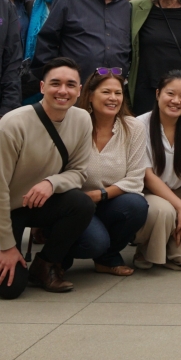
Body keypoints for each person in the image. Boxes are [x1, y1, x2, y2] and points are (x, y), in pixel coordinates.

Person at [0, 57, 95, 299]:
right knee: (9, 289)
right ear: (42, 87)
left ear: (79, 91)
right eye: (55, 83)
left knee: (81, 204)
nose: (63, 91)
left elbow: (79, 172)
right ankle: (10, 251)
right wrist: (7, 247)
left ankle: (45, 263)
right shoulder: (12, 125)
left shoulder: (82, 120)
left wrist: (52, 183)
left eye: (71, 85)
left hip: (36, 202)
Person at [67, 72, 149, 276]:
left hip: (109, 201)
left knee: (137, 205)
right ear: (91, 95)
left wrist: (98, 195)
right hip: (75, 204)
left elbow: (135, 180)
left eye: (118, 93)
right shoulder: (74, 125)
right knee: (94, 243)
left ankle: (107, 256)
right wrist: (83, 200)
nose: (113, 98)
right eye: (106, 92)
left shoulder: (133, 127)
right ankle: (58, 255)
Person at [133, 70, 181, 270]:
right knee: (165, 211)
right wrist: (180, 208)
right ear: (158, 94)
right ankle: (147, 248)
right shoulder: (139, 124)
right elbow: (147, 176)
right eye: (170, 94)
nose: (176, 101)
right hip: (151, 195)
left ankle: (165, 243)